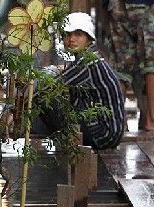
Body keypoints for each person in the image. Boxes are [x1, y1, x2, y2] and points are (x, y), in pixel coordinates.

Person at [33, 12, 125, 150]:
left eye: (78, 34)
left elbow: (50, 87)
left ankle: (60, 140)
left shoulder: (89, 62)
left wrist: (14, 110)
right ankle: (58, 137)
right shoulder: (89, 58)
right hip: (108, 132)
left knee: (45, 98)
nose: (71, 39)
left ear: (88, 39)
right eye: (68, 34)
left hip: (104, 134)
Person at [107, 0, 154, 131]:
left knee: (120, 62)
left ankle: (119, 121)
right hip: (149, 4)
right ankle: (152, 119)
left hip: (116, 5)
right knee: (153, 58)